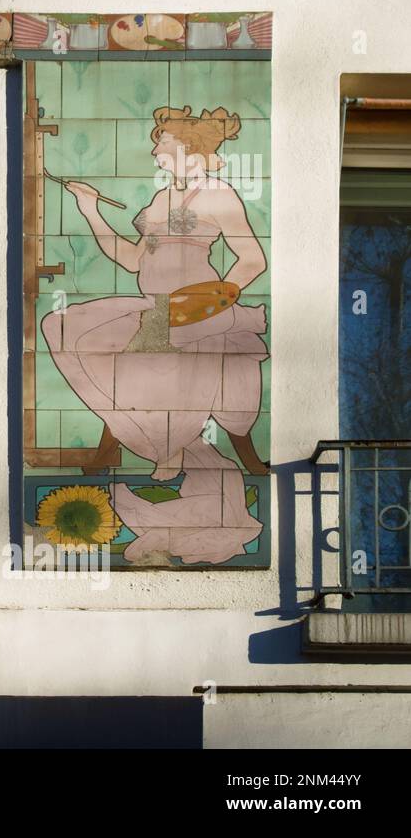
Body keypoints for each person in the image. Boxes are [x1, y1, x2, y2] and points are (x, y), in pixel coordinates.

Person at [42, 105, 267, 564]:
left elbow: (252, 260)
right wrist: (90, 210)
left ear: (188, 147)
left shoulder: (219, 194)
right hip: (157, 310)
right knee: (65, 327)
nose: (154, 148)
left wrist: (214, 299)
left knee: (144, 361)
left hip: (198, 312)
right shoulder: (163, 200)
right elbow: (129, 259)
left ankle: (156, 448)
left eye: (161, 140)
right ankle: (147, 445)